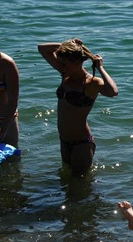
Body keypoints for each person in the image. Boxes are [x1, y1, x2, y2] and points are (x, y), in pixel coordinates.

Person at [38, 38, 118, 176]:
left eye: (65, 63)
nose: (61, 66)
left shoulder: (91, 82)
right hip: (64, 140)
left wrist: (100, 67)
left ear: (77, 63)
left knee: (79, 185)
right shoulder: (65, 75)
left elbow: (113, 92)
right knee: (67, 180)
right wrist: (69, 45)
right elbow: (42, 49)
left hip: (81, 143)